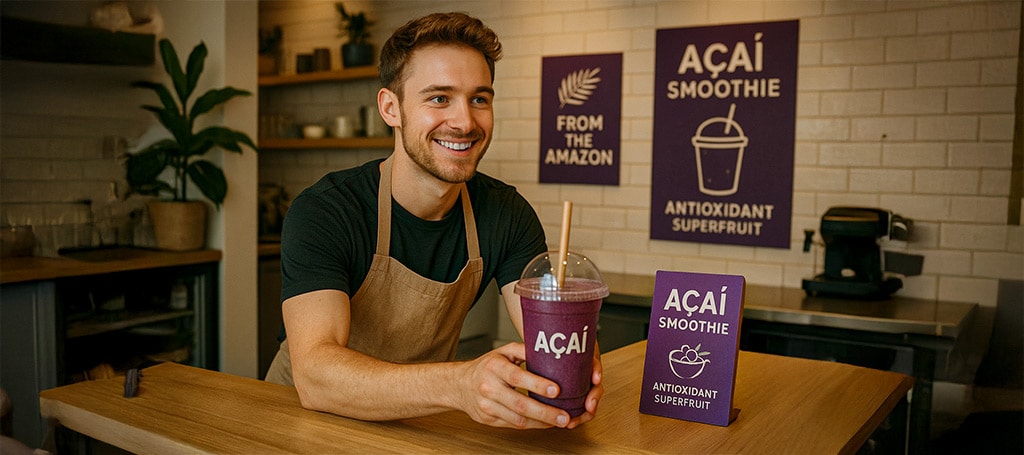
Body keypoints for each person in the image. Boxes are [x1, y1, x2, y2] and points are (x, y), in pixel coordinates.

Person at [264, 12, 603, 430]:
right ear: (391, 108)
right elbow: (316, 376)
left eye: (479, 98)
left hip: (416, 424)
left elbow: (549, 335)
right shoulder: (327, 212)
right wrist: (459, 384)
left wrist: (570, 375)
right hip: (301, 422)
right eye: (439, 98)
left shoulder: (506, 214)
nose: (464, 122)